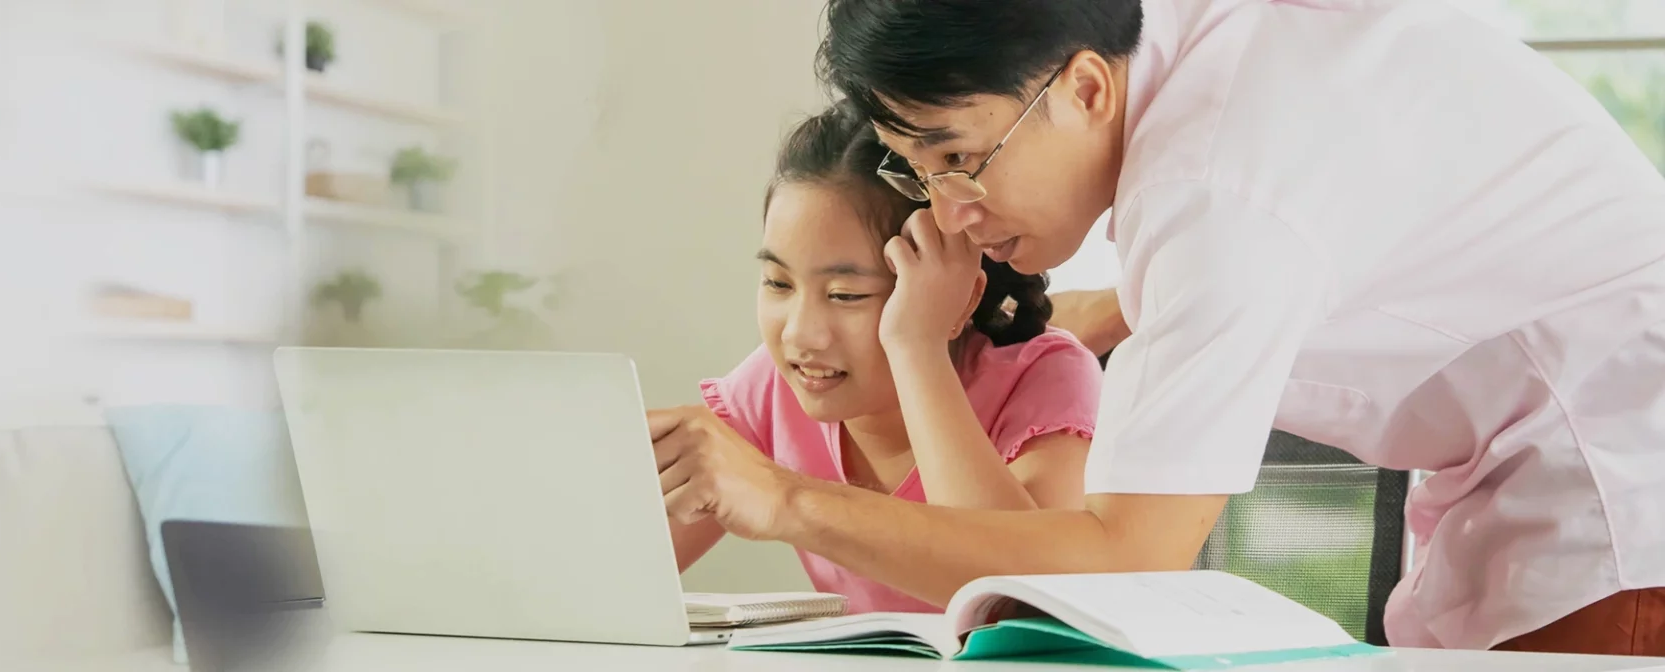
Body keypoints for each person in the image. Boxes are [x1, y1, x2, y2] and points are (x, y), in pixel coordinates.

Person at [653, 0, 1665, 656]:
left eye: (957, 156)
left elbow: (1119, 571)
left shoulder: (1215, 198)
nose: (949, 208)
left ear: (1084, 88)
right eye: (914, 170)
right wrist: (1134, 308)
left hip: (1616, 513)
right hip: (1531, 490)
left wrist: (788, 501)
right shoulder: (1178, 48)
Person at [666, 105, 1103, 614]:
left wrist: (918, 346)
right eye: (778, 283)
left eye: (846, 294)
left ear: (959, 297)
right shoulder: (770, 386)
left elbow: (1018, 603)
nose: (801, 334)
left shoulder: (1044, 378)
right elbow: (612, 576)